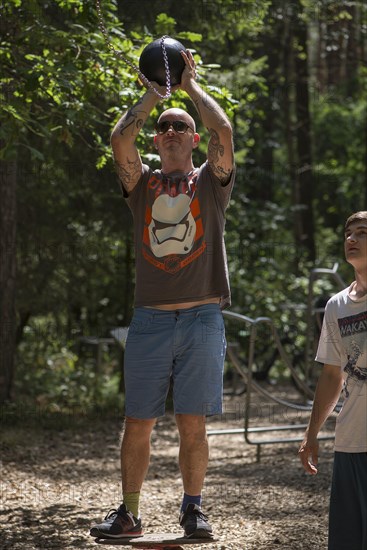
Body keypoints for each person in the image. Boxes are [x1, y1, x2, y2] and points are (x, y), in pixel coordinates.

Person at [90, 49, 235, 540]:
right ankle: (128, 513)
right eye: (165, 127)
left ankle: (193, 509)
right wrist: (156, 93)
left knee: (192, 423)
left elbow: (226, 134)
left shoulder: (211, 184)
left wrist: (190, 87)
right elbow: (119, 138)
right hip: (150, 319)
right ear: (157, 138)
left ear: (194, 139)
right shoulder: (143, 184)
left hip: (201, 317)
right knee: (139, 422)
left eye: (181, 126)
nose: (172, 131)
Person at [298, 211, 367, 550]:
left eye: (362, 232)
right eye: (348, 233)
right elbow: (331, 375)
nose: (352, 239)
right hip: (350, 441)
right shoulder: (336, 306)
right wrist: (312, 434)